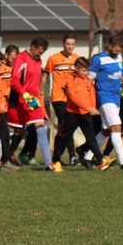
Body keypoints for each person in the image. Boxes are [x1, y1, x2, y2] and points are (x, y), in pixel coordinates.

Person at [84, 35, 123, 171]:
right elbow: (89, 81)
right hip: (104, 97)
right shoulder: (98, 59)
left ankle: (87, 158)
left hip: (115, 98)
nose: (119, 53)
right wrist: (88, 101)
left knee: (106, 131)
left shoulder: (119, 58)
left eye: (120, 51)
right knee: (116, 126)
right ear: (109, 46)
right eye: (117, 50)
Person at [11, 36, 60, 172]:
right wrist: (25, 94)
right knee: (17, 130)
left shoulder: (38, 61)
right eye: (39, 52)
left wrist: (40, 103)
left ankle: (3, 158)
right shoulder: (21, 58)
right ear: (32, 46)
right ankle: (2, 159)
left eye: (42, 53)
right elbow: (14, 80)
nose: (40, 55)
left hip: (33, 100)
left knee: (29, 130)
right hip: (24, 99)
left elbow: (37, 84)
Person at [53, 57, 108, 170]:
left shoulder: (87, 80)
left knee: (91, 137)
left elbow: (90, 95)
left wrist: (91, 108)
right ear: (76, 68)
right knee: (65, 138)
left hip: (84, 113)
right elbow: (74, 98)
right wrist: (88, 108)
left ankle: (101, 161)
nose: (86, 73)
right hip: (72, 114)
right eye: (84, 70)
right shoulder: (70, 80)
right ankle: (55, 161)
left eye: (87, 70)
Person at [45, 35, 78, 166]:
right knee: (67, 124)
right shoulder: (54, 59)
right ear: (63, 44)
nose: (70, 47)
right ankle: (73, 156)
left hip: (72, 98)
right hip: (58, 97)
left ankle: (55, 158)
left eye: (72, 44)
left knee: (62, 128)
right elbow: (45, 75)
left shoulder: (77, 59)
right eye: (68, 44)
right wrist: (40, 90)